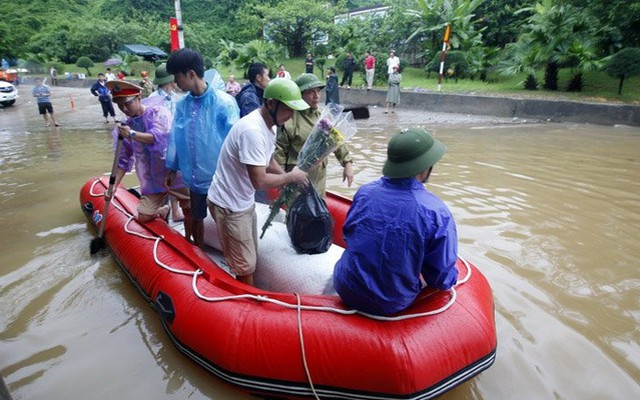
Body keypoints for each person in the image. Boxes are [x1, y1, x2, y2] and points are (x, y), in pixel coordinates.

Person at [333, 127, 459, 316]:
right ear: (424, 168)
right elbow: (441, 277)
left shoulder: (365, 192)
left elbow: (348, 234)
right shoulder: (436, 212)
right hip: (390, 302)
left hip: (346, 287)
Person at [207, 78, 310, 286]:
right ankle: (245, 305)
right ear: (271, 103)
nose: (291, 115)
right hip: (229, 205)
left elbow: (268, 158)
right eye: (288, 109)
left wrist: (285, 179)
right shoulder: (252, 131)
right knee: (245, 265)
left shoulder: (269, 126)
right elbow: (259, 181)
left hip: (242, 201)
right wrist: (291, 176)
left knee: (249, 257)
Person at [165, 48, 240, 248]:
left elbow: (236, 142)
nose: (175, 82)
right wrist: (172, 168)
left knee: (224, 220)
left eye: (177, 77)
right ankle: (198, 254)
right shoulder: (182, 106)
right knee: (196, 216)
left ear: (191, 74)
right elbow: (176, 138)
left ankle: (231, 258)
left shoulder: (224, 103)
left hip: (221, 178)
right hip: (195, 177)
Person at [104, 80, 190, 227]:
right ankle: (163, 210)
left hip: (174, 173)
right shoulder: (125, 126)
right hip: (152, 180)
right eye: (120, 105)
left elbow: (158, 137)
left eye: (127, 103)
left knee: (190, 209)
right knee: (143, 216)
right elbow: (123, 162)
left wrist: (131, 134)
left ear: (138, 97)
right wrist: (113, 187)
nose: (124, 108)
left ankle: (191, 240)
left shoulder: (158, 112)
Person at [275, 73, 354, 197]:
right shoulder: (289, 119)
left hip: (319, 180)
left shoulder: (324, 116)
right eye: (311, 92)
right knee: (297, 214)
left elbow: (336, 140)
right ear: (300, 95)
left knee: (319, 213)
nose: (316, 96)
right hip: (297, 182)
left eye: (318, 91)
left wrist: (347, 163)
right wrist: (283, 180)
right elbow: (279, 153)